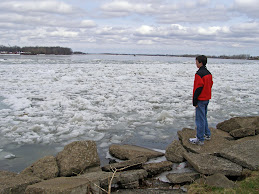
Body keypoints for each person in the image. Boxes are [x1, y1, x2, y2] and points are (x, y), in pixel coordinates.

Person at [189, 55, 213, 145]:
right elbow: (211, 84)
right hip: (206, 98)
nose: (195, 63)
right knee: (204, 117)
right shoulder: (208, 73)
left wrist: (195, 100)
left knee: (199, 119)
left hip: (201, 99)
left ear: (200, 62)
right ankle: (207, 134)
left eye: (196, 62)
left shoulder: (199, 74)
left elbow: (198, 88)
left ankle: (200, 139)